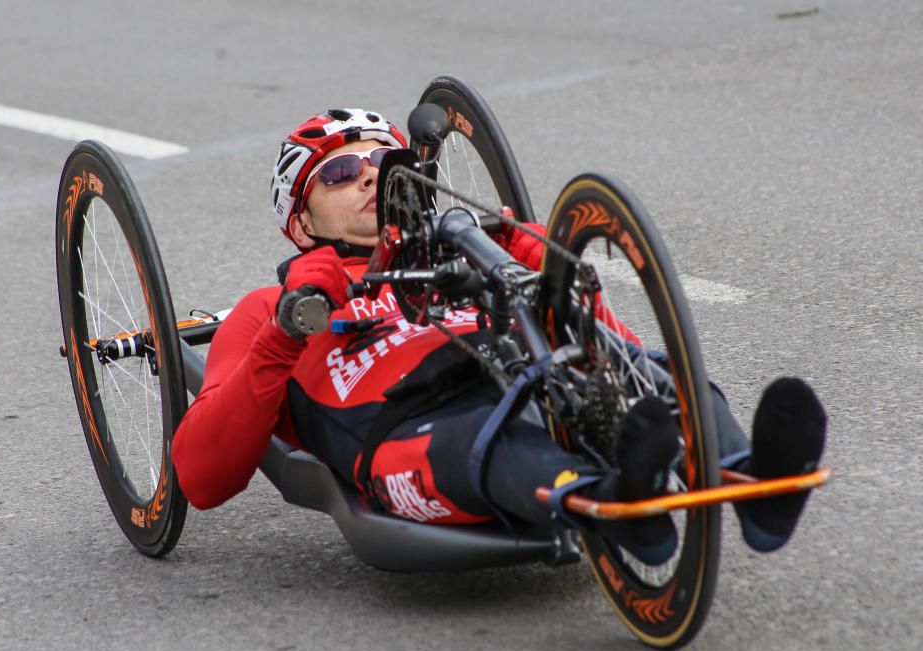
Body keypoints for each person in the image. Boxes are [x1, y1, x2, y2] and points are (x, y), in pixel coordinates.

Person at [171, 108, 827, 564]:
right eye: (339, 173)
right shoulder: (268, 307)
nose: (369, 173)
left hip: (525, 372)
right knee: (489, 434)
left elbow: (597, 327)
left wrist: (530, 255)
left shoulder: (461, 250)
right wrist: (288, 328)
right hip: (411, 430)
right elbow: (202, 476)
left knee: (650, 371)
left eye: (382, 162)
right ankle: (619, 500)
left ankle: (755, 483)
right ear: (302, 220)